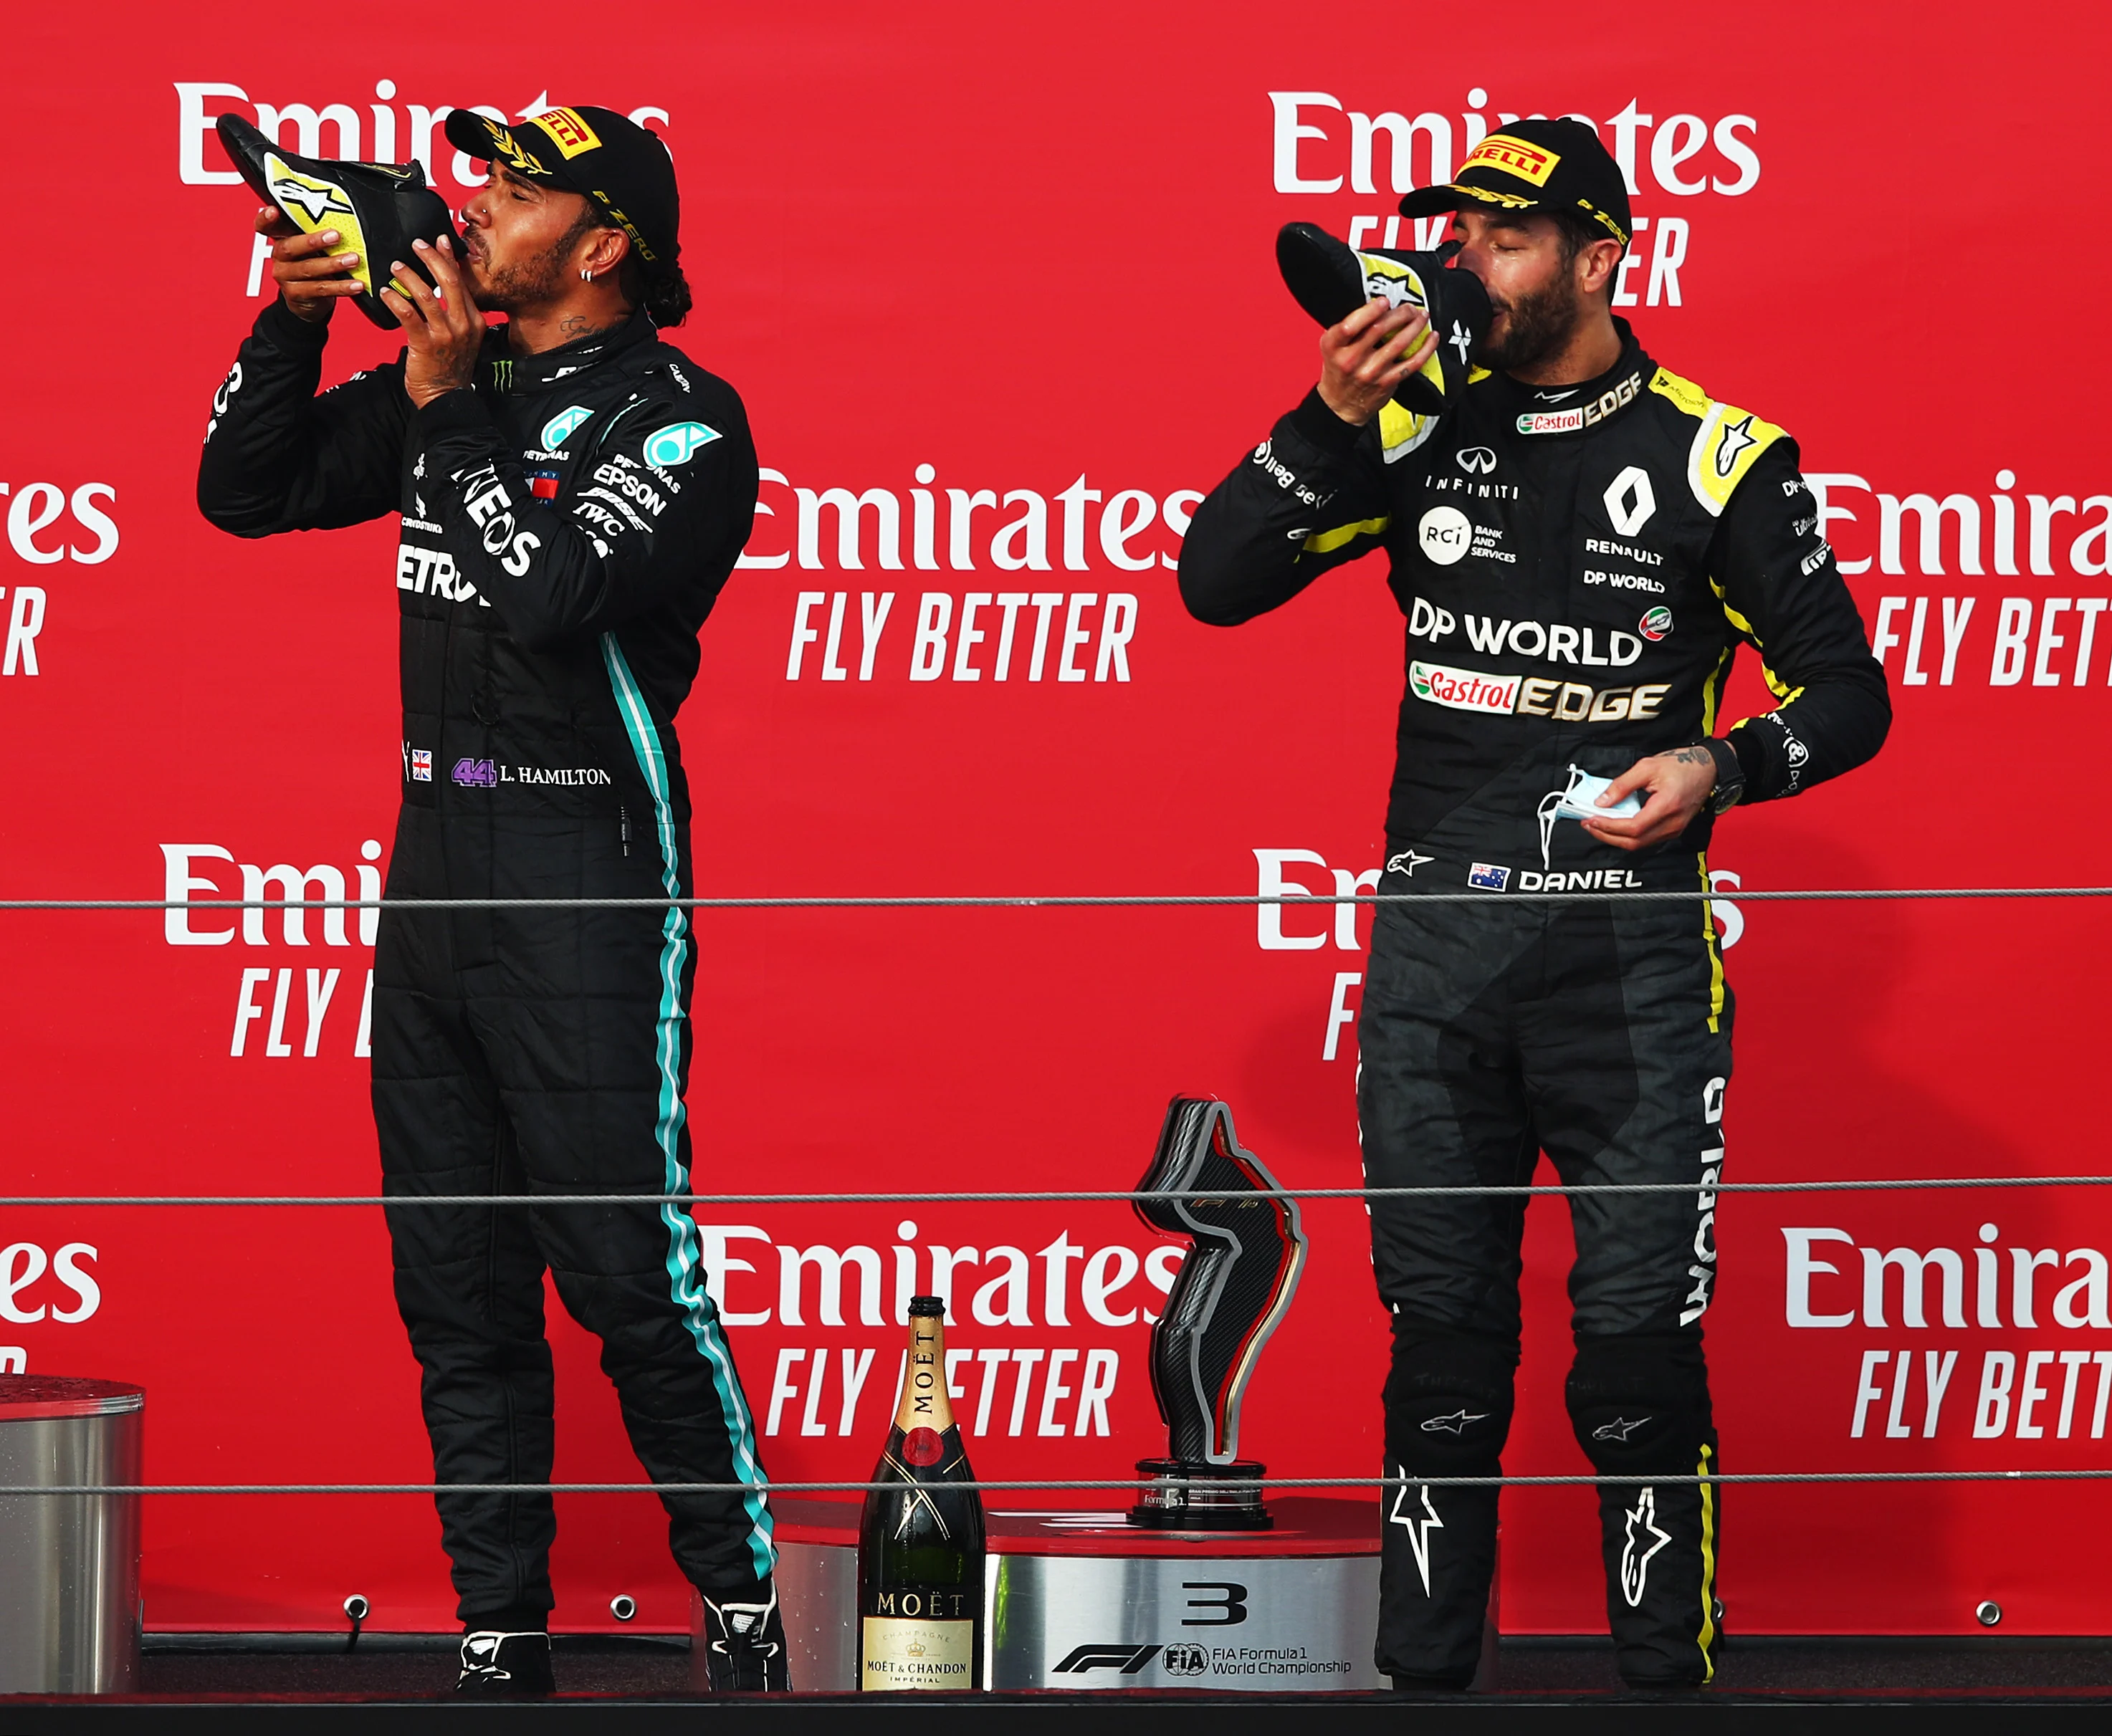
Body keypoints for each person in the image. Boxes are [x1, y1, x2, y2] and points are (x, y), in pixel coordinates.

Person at [1179, 118, 1888, 1691]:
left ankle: (1662, 1685)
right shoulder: (1417, 420)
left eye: (1504, 238)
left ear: (1599, 257)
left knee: (1633, 1357)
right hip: (1434, 962)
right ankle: (1426, 1683)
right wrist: (1327, 413)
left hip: (1629, 970)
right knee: (1441, 1352)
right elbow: (1213, 581)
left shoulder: (1718, 454)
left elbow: (1849, 693)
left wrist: (1721, 760)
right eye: (1457, 238)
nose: (1468, 264)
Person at [197, 105, 785, 1697]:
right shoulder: (460, 378)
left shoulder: (680, 416)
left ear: (603, 246)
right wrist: (296, 317)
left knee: (624, 1270)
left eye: (516, 191)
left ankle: (743, 1611)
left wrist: (447, 406)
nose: (474, 206)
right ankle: (498, 1629)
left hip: (582, 864)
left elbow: (549, 597)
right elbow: (242, 490)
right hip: (434, 866)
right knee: (455, 1283)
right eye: (479, 178)